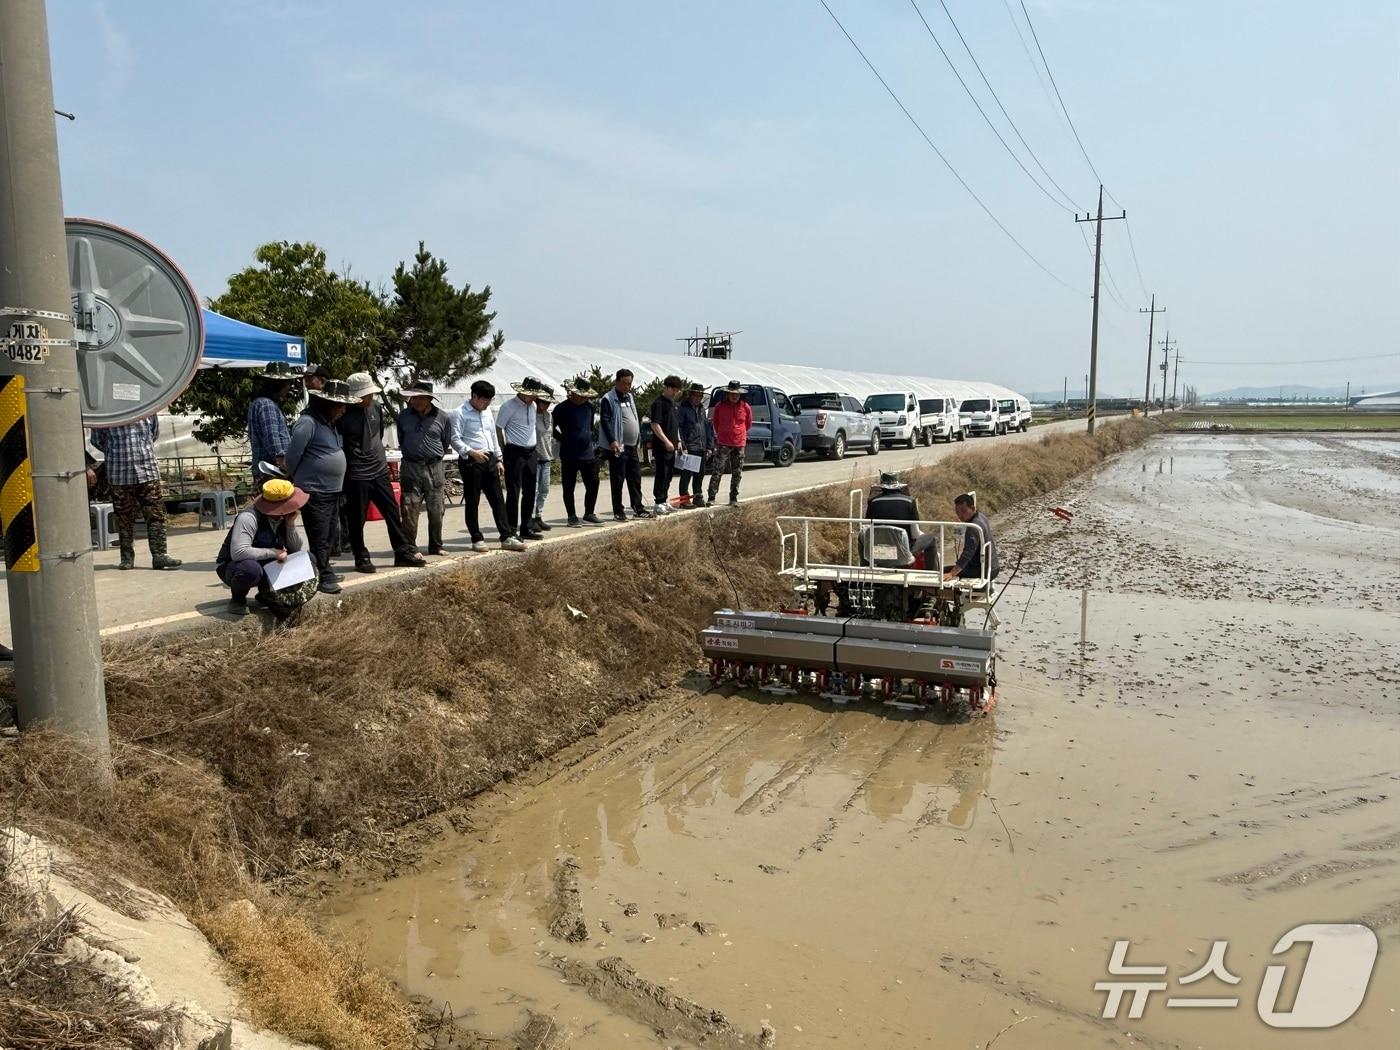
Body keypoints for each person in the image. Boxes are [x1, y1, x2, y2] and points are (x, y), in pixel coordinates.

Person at [338, 373, 425, 573]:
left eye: (369, 395)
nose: (367, 399)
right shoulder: (343, 413)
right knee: (356, 518)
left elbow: (379, 434)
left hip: (379, 470)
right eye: (363, 396)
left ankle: (402, 552)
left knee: (392, 513)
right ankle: (361, 557)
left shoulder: (376, 407)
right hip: (356, 474)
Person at [286, 378, 357, 594]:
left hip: (332, 490)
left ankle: (321, 568)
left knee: (329, 534)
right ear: (327, 404)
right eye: (340, 405)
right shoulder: (308, 423)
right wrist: (296, 477)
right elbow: (293, 455)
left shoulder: (330, 425)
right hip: (314, 490)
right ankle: (324, 575)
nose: (344, 410)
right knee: (320, 534)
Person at [89, 416, 182, 571]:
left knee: (156, 515)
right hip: (119, 473)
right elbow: (97, 440)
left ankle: (159, 556)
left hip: (147, 470)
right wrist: (116, 451)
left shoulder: (147, 411)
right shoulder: (107, 415)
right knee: (124, 518)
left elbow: (154, 433)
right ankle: (126, 558)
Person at [215, 478, 316, 620]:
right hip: (235, 566)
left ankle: (267, 594)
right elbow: (239, 552)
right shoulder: (248, 518)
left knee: (308, 559)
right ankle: (237, 598)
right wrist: (273, 553)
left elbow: (295, 548)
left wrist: (290, 525)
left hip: (267, 563)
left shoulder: (282, 518)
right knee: (250, 569)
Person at [451, 379, 524, 552]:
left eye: (489, 401)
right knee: (472, 500)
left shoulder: (487, 412)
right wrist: (471, 452)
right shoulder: (459, 413)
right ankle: (476, 538)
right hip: (471, 460)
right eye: (484, 400)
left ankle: (506, 536)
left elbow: (492, 436)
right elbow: (454, 438)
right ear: (474, 396)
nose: (486, 404)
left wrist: (498, 458)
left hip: (489, 458)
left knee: (498, 499)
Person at [395, 377, 453, 556]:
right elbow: (401, 439)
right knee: (409, 509)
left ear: (429, 399)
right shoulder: (403, 416)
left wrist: (431, 457)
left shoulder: (442, 417)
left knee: (436, 509)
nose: (417, 401)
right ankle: (411, 548)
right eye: (414, 398)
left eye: (421, 397)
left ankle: (436, 545)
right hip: (410, 467)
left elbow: (445, 442)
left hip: (434, 467)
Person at [495, 376, 547, 541]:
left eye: (535, 395)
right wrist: (503, 452)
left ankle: (527, 526)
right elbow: (498, 429)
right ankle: (511, 529)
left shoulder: (532, 406)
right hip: (514, 451)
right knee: (513, 492)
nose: (533, 398)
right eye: (530, 394)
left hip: (531, 452)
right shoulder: (508, 407)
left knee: (531, 491)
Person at [599, 369, 651, 522]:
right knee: (618, 479)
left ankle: (638, 508)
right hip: (618, 446)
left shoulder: (630, 397)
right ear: (617, 382)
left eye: (629, 384)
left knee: (635, 478)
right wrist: (612, 441)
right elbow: (605, 421)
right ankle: (618, 511)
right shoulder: (608, 399)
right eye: (624, 383)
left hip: (632, 446)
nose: (627, 386)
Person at [553, 377, 603, 527]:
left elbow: (588, 426)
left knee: (593, 482)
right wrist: (563, 438)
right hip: (569, 453)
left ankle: (589, 513)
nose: (584, 398)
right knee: (569, 486)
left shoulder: (589, 407)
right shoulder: (561, 408)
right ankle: (572, 515)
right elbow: (551, 427)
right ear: (573, 393)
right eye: (581, 395)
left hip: (588, 452)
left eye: (586, 396)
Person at [247, 361, 298, 484]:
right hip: (272, 471)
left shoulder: (259, 402)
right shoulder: (267, 405)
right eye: (287, 384)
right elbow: (272, 436)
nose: (288, 388)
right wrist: (282, 463)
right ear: (279, 384)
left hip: (267, 470)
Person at [707, 380, 753, 507]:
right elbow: (715, 423)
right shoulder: (720, 406)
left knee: (737, 472)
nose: (734, 396)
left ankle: (733, 498)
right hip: (723, 443)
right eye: (732, 393)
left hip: (739, 444)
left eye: (736, 394)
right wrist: (723, 434)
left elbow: (748, 424)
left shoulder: (745, 407)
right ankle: (711, 497)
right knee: (717, 470)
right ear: (727, 394)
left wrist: (739, 434)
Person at [648, 375, 684, 515]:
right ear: (667, 387)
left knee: (669, 474)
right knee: (661, 474)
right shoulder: (659, 403)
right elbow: (655, 424)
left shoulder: (673, 404)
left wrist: (679, 441)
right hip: (662, 446)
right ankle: (658, 502)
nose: (675, 393)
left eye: (678, 390)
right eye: (673, 389)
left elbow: (676, 426)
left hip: (673, 446)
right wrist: (666, 441)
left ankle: (664, 499)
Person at [945, 492, 1000, 583]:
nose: (960, 515)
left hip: (983, 570)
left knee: (943, 571)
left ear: (973, 508)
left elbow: (967, 553)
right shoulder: (981, 516)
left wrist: (952, 573)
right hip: (993, 566)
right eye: (957, 512)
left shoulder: (973, 527)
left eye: (963, 511)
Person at [676, 382, 714, 507]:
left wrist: (709, 446)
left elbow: (706, 427)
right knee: (686, 474)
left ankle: (697, 496)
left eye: (701, 395)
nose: (698, 398)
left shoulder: (702, 409)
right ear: (690, 395)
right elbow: (679, 427)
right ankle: (684, 499)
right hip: (690, 446)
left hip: (701, 446)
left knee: (700, 474)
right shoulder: (683, 409)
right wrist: (682, 444)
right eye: (696, 395)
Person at [530, 386, 556, 533]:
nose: (546, 405)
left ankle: (539, 515)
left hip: (547, 457)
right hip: (535, 457)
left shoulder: (549, 416)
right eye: (544, 402)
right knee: (533, 490)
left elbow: (549, 436)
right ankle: (531, 517)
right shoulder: (532, 415)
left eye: (548, 403)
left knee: (544, 489)